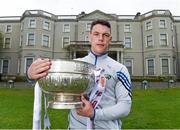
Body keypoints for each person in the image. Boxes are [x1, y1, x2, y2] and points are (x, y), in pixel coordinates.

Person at [27, 19, 132, 130]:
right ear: (89, 37)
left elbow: (125, 106)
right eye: (96, 34)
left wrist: (94, 113)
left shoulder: (120, 69)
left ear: (110, 40)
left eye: (105, 35)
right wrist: (31, 75)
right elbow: (52, 80)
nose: (101, 38)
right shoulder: (74, 65)